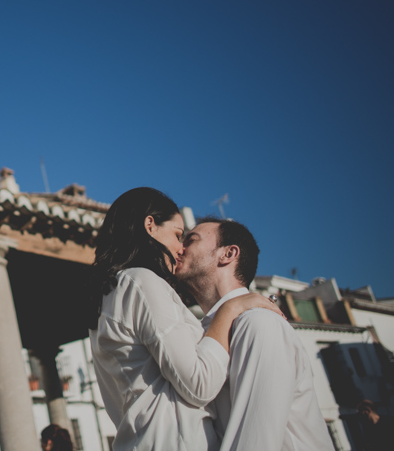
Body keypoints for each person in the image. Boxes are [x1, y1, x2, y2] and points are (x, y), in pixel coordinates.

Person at [88, 188, 280, 451]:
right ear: (150, 226)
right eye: (178, 235)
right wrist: (231, 308)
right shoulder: (141, 282)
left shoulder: (112, 292)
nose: (181, 248)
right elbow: (199, 384)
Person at [176, 218, 334, 451]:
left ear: (228, 254)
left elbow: (255, 441)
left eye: (191, 239)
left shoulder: (258, 323)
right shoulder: (207, 333)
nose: (180, 248)